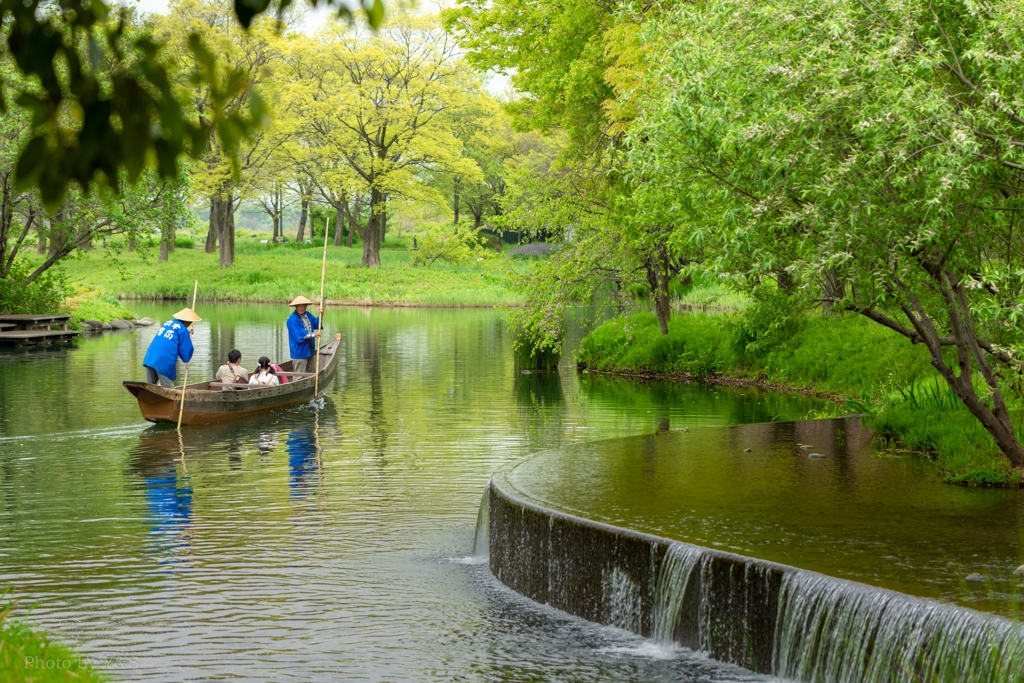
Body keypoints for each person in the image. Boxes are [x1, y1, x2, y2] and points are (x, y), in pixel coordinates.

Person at [143, 308, 200, 388]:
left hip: (150, 358)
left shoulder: (168, 322)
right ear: (188, 321)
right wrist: (187, 337)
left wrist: (186, 334)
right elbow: (186, 356)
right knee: (169, 391)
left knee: (150, 388)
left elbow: (173, 335)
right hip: (164, 362)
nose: (191, 323)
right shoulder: (183, 331)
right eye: (191, 321)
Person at [286, 295, 323, 374]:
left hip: (310, 350)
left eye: (303, 305)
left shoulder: (308, 315)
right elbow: (299, 334)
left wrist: (320, 315)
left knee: (312, 373)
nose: (301, 308)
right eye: (299, 306)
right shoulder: (292, 319)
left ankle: (312, 385)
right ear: (296, 306)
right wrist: (314, 334)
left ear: (306, 306)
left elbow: (316, 324)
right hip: (300, 352)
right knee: (299, 375)